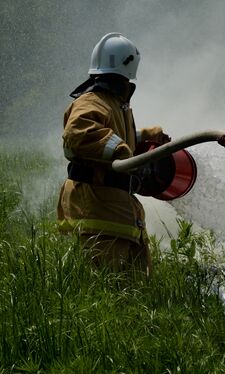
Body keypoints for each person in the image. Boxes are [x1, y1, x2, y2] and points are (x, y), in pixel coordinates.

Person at [57, 32, 170, 276]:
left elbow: (111, 138)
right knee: (104, 287)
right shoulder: (92, 101)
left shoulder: (114, 103)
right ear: (130, 67)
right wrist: (121, 150)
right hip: (99, 210)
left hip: (117, 209)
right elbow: (79, 134)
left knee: (135, 287)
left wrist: (142, 136)